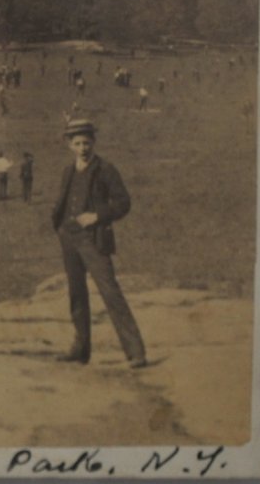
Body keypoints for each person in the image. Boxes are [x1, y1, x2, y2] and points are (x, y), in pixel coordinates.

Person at [51, 119, 147, 369]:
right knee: (76, 293)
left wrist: (97, 216)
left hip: (94, 240)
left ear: (94, 142)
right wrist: (61, 226)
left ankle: (136, 352)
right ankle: (81, 348)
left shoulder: (105, 169)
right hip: (69, 237)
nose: (83, 148)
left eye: (87, 143)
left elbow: (123, 202)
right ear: (70, 145)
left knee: (110, 291)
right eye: (78, 143)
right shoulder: (68, 171)